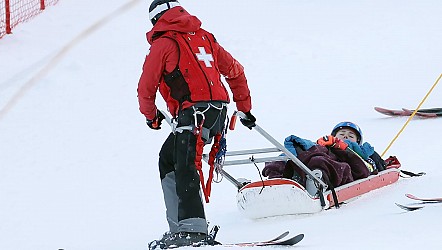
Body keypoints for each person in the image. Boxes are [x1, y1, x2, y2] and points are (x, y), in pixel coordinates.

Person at [138, 0, 256, 248]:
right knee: (168, 157)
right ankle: (180, 228)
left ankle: (193, 231)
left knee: (185, 164)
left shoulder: (163, 44)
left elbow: (145, 87)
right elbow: (235, 71)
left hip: (193, 114)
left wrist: (151, 116)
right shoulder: (205, 37)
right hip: (217, 114)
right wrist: (244, 108)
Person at [262, 121, 391, 196]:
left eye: (351, 135)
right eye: (342, 134)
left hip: (340, 163)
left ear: (358, 141)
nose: (346, 137)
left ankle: (316, 181)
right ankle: (279, 178)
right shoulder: (326, 143)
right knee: (298, 155)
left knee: (320, 161)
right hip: (322, 155)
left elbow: (366, 167)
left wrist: (345, 147)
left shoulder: (360, 151)